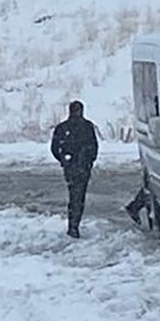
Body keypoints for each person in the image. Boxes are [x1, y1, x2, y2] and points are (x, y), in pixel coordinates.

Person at [51, 100, 99, 238]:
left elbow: (55, 148)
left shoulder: (63, 127)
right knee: (78, 197)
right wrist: (88, 161)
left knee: (74, 196)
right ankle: (74, 226)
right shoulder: (86, 127)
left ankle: (73, 225)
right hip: (80, 167)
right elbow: (94, 147)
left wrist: (64, 160)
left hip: (73, 166)